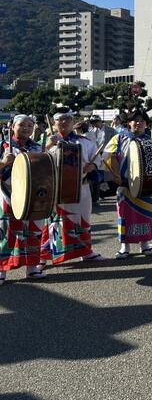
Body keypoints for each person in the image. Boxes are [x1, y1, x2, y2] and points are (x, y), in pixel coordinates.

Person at [41, 108, 104, 265]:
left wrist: (93, 167)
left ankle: (86, 251)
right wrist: (48, 146)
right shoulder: (45, 141)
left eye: (67, 119)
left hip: (80, 187)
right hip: (56, 189)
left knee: (83, 219)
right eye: (59, 119)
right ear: (54, 123)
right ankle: (44, 256)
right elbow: (35, 161)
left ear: (74, 122)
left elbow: (97, 159)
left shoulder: (85, 142)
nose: (63, 122)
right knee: (54, 222)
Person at [104, 109, 152, 258]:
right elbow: (108, 155)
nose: (138, 123)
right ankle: (124, 246)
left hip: (145, 186)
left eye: (142, 121)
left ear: (146, 124)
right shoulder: (119, 138)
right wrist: (115, 175)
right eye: (135, 120)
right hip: (124, 184)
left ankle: (145, 244)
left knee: (146, 215)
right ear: (129, 123)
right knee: (124, 215)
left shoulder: (150, 141)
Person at [0, 115, 46, 283]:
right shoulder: (2, 145)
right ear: (12, 126)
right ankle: (2, 269)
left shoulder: (37, 147)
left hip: (33, 195)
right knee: (6, 231)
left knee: (33, 230)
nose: (26, 128)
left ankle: (32, 267)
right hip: (7, 193)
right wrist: (4, 162)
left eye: (29, 125)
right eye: (22, 125)